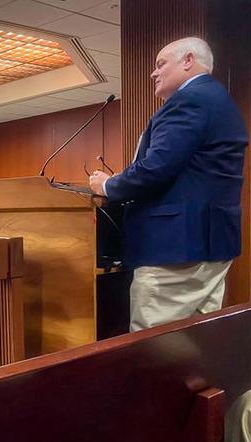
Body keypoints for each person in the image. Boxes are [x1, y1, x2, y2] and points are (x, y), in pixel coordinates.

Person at [88, 37, 248, 332]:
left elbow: (156, 168)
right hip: (210, 242)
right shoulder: (217, 99)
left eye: (161, 64)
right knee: (198, 340)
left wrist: (108, 185)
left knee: (157, 346)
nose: (153, 72)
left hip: (175, 249)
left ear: (188, 60)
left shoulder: (190, 100)